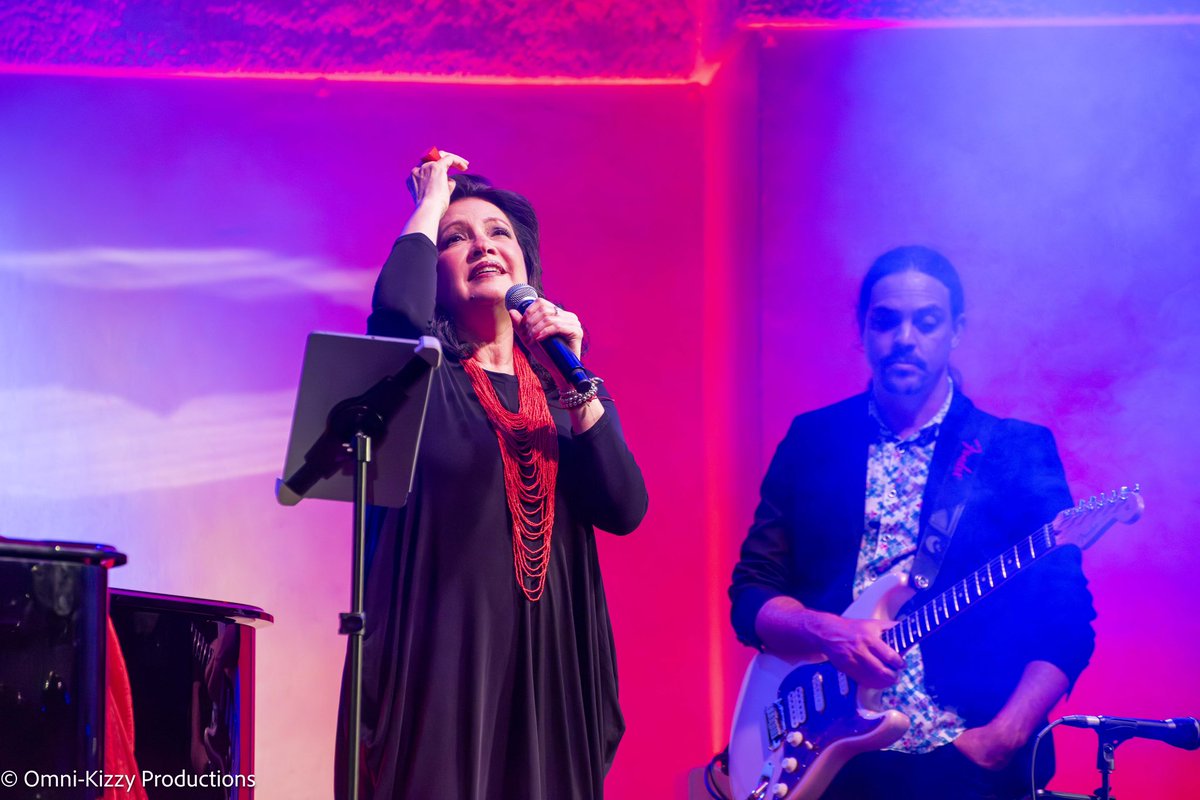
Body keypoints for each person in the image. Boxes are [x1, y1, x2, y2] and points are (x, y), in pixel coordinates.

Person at [335, 152, 648, 800]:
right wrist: (429, 201)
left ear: (527, 264)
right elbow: (396, 313)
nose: (483, 245)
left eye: (499, 233)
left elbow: (624, 507)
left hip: (548, 673)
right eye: (457, 238)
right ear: (435, 272)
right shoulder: (420, 380)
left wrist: (573, 376)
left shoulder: (566, 393)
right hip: (444, 665)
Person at [728, 246, 1096, 798]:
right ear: (862, 331)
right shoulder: (813, 439)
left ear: (956, 331)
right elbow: (752, 595)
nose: (905, 338)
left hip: (964, 757)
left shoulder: (1013, 450)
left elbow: (1067, 619)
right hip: (827, 752)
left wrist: (1004, 736)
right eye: (886, 321)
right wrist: (828, 632)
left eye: (926, 322)